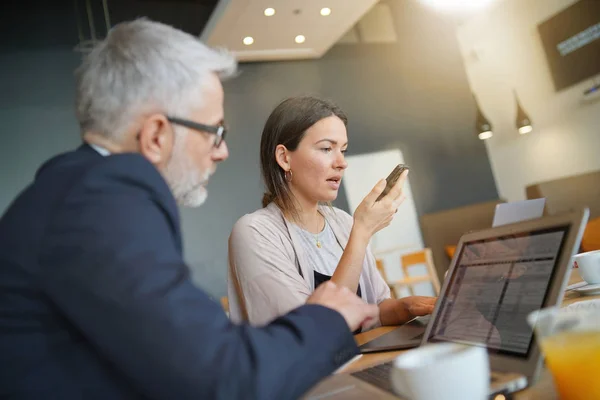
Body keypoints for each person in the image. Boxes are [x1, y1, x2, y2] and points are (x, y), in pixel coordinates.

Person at [0, 19, 381, 400]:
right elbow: (221, 376)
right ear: (156, 135)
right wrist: (327, 317)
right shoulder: (98, 203)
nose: (222, 151)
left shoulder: (77, 190)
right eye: (214, 131)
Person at [228, 96, 436, 327]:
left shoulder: (343, 222)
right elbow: (315, 330)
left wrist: (406, 307)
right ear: (284, 158)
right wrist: (363, 232)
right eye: (326, 148)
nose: (341, 162)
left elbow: (375, 309)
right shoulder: (254, 233)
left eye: (343, 150)